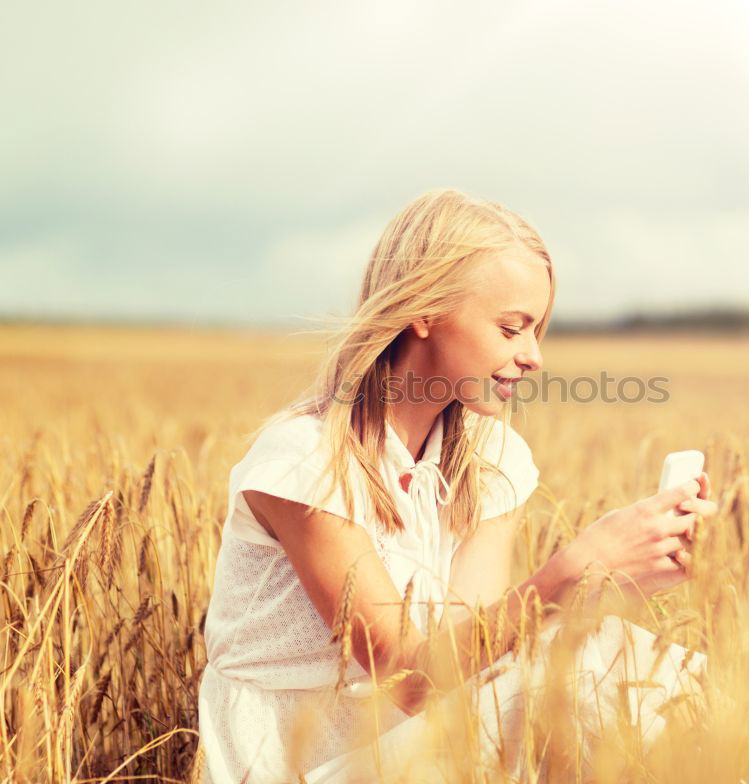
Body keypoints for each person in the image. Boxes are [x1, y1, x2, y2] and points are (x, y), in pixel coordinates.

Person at [196, 188, 718, 783]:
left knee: (605, 654)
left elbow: (473, 661)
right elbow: (410, 679)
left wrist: (614, 580)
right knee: (578, 666)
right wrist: (575, 566)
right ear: (423, 311)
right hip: (299, 765)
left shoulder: (490, 459)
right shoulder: (306, 461)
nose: (534, 357)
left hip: (422, 752)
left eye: (537, 331)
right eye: (511, 328)